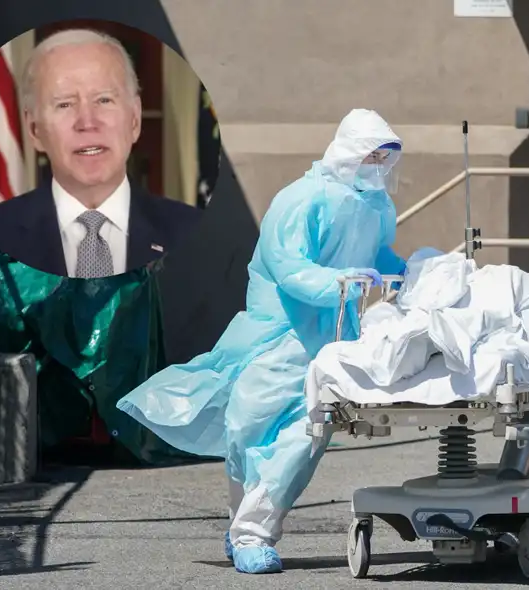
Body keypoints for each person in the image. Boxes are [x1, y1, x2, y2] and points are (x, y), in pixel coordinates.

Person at [117, 108, 430, 574]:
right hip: (278, 334)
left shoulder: (377, 205)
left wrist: (403, 269)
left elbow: (376, 252)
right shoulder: (302, 200)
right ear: (349, 152)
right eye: (373, 156)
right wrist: (338, 281)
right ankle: (241, 524)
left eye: (386, 158)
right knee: (248, 428)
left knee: (306, 434)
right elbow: (289, 267)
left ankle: (253, 532)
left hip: (333, 339)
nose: (380, 167)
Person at [0, 29, 201, 278]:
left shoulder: (195, 232)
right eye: (64, 104)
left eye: (104, 100)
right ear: (35, 130)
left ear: (134, 119)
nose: (87, 122)